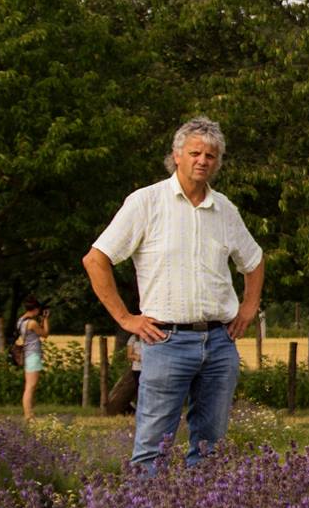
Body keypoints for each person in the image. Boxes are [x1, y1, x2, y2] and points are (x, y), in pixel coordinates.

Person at [83, 116, 264, 473]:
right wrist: (125, 318)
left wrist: (249, 307)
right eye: (195, 152)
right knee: (153, 445)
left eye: (211, 155)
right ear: (176, 156)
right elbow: (96, 259)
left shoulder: (225, 210)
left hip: (219, 340)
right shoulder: (146, 203)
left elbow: (254, 261)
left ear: (218, 162)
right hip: (166, 340)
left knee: (210, 446)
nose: (202, 160)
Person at [16, 297, 50, 422]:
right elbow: (45, 334)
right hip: (33, 355)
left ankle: (29, 414)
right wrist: (46, 319)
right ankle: (28, 415)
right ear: (35, 309)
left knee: (29, 385)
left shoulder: (21, 320)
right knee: (31, 386)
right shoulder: (32, 323)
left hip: (27, 354)